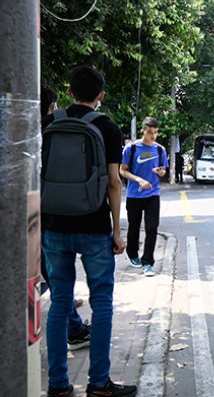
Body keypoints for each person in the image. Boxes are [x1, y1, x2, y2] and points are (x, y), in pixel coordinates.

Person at [41, 66, 137, 397]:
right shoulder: (107, 127)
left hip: (54, 226)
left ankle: (58, 386)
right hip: (94, 227)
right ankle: (99, 384)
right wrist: (117, 231)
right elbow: (114, 182)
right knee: (102, 303)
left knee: (60, 303)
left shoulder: (50, 123)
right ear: (101, 96)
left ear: (69, 93)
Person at [39, 86, 87, 345]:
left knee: (51, 277)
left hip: (38, 219)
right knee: (52, 278)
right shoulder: (49, 133)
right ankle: (74, 329)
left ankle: (71, 317)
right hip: (42, 220)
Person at [119, 117, 168, 277]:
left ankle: (148, 262)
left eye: (155, 132)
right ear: (143, 131)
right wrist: (138, 179)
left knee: (152, 228)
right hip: (134, 194)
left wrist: (161, 172)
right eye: (149, 132)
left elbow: (164, 170)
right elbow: (122, 170)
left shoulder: (160, 149)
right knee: (134, 226)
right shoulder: (131, 148)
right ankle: (133, 254)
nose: (152, 136)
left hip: (153, 194)